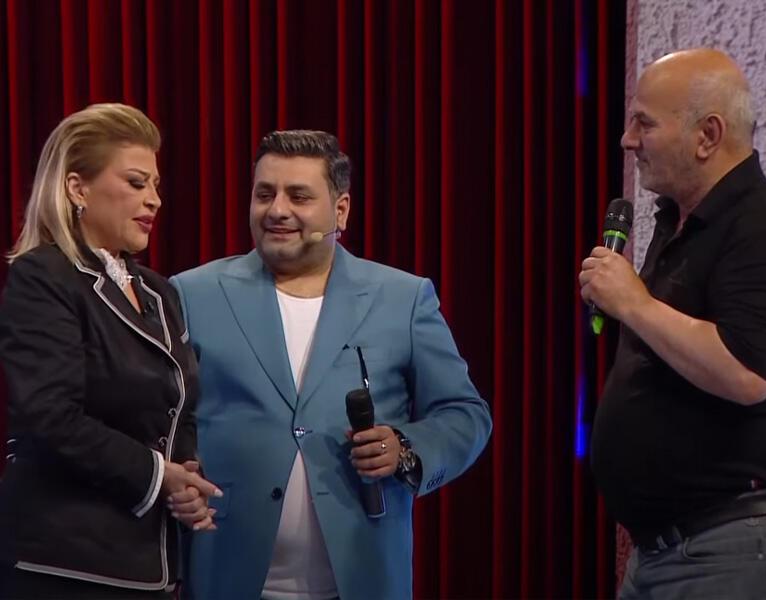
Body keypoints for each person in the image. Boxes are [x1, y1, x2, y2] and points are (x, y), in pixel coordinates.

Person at [171, 130, 492, 600]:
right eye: (265, 194)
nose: (277, 210)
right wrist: (179, 473)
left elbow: (466, 415)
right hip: (226, 576)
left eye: (298, 196)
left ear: (340, 211)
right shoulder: (191, 293)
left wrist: (404, 447)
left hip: (362, 580)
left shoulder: (403, 298)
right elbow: (161, 419)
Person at [580, 48, 766, 598]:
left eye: (644, 123)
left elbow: (748, 372)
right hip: (670, 551)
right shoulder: (680, 223)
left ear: (707, 135)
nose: (627, 139)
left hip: (732, 548)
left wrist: (635, 304)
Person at [0, 103, 221, 599]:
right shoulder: (44, 277)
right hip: (62, 565)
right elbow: (50, 417)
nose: (154, 200)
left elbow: (178, 412)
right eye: (137, 183)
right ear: (77, 189)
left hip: (149, 565)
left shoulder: (160, 293)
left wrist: (187, 479)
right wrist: (158, 475)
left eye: (156, 185)